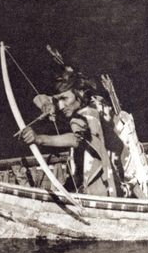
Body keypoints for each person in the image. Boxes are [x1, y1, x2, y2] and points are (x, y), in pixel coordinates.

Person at [19, 67, 129, 197]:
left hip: (114, 181)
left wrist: (38, 139)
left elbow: (77, 138)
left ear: (80, 92)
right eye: (57, 100)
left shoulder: (90, 112)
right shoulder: (87, 101)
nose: (60, 105)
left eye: (64, 98)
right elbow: (38, 98)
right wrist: (46, 105)